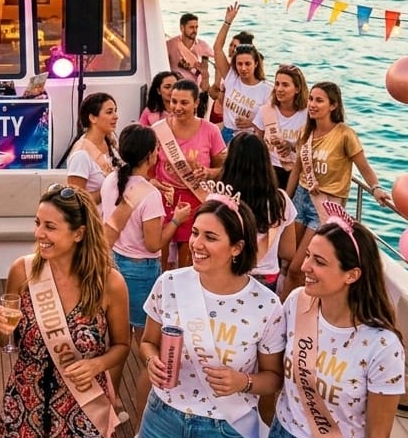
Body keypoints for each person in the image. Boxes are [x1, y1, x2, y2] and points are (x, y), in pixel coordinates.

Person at [135, 193, 284, 438]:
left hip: (229, 434)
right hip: (163, 422)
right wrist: (150, 360)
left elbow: (274, 379)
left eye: (210, 237)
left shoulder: (267, 305)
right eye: (194, 233)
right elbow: (147, 342)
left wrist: (243, 382)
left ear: (237, 248)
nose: (196, 244)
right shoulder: (169, 283)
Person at [0, 184, 130, 438]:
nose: (38, 234)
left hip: (84, 408)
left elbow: (122, 345)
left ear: (78, 233)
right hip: (25, 403)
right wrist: (4, 334)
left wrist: (97, 365)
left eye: (50, 227)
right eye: (37, 223)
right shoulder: (23, 271)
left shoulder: (110, 283)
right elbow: (8, 343)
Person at [268, 218, 404, 438]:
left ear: (352, 275)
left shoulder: (383, 345)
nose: (305, 266)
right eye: (308, 255)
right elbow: (275, 376)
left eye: (319, 262)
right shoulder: (297, 303)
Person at [283, 82, 390, 299]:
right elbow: (297, 170)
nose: (312, 104)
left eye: (319, 100)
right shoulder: (307, 131)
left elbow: (364, 167)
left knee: (298, 268)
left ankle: (287, 314)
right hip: (300, 198)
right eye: (311, 99)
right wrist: (285, 198)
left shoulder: (344, 134)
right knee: (286, 261)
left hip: (323, 206)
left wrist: (376, 188)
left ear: (333, 105)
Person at [100, 125, 177, 418]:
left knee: (116, 339)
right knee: (147, 344)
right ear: (150, 154)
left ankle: (110, 400)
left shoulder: (111, 181)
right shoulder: (150, 195)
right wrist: (177, 220)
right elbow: (154, 243)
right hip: (143, 271)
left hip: (114, 263)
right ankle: (147, 410)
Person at [150, 79, 226, 271]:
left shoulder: (210, 131)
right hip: (163, 199)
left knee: (189, 262)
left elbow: (222, 168)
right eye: (174, 101)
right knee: (161, 260)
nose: (177, 107)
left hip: (195, 199)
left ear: (196, 104)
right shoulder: (158, 131)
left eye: (184, 103)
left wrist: (208, 173)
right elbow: (147, 171)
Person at [218, 132, 296, 292]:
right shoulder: (281, 200)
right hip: (266, 278)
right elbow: (288, 251)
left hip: (228, 273)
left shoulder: (220, 199)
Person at [212, 3, 272, 143]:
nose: (243, 68)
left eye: (247, 64)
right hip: (227, 133)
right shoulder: (231, 77)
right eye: (239, 64)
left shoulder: (266, 89)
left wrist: (253, 122)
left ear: (256, 64)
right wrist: (227, 22)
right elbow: (217, 48)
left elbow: (272, 121)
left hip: (249, 138)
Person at [250, 63, 309, 190]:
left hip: (297, 171)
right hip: (269, 171)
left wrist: (292, 147)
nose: (279, 89)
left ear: (297, 89)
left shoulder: (307, 115)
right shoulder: (265, 111)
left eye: (285, 85)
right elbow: (257, 144)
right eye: (277, 84)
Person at [63, 92, 120, 203]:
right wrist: (111, 190)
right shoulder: (81, 154)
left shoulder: (111, 142)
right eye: (109, 112)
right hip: (95, 219)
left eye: (115, 111)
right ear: (93, 118)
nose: (116, 116)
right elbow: (75, 200)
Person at [166, 12, 213, 99]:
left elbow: (217, 60)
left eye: (196, 27)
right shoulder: (170, 44)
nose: (195, 31)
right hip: (177, 89)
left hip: (197, 91)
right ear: (182, 28)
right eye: (191, 27)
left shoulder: (202, 45)